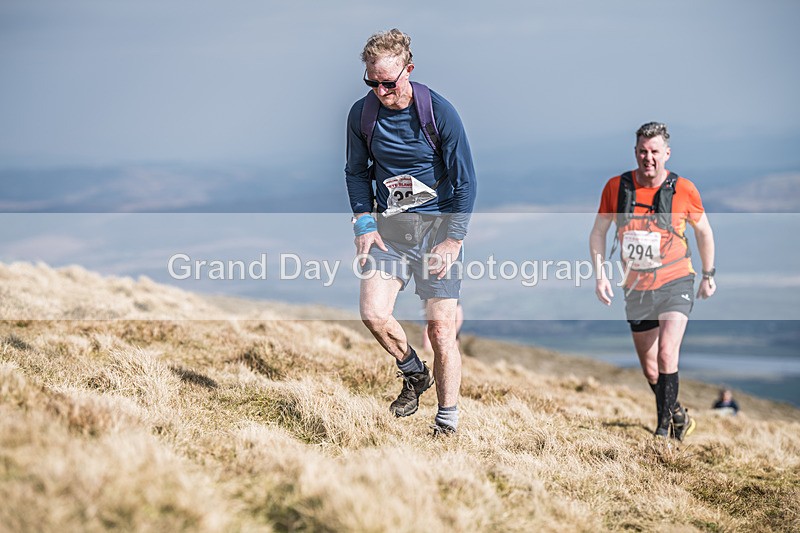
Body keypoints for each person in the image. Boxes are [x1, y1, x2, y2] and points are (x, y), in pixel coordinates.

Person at [345, 29, 477, 436]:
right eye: (372, 82)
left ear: (409, 69)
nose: (381, 91)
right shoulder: (362, 115)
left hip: (437, 235)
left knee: (441, 331)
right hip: (389, 233)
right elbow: (356, 173)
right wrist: (364, 223)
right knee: (373, 314)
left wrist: (454, 240)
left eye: (388, 82)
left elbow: (465, 181)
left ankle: (447, 421)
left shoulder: (438, 112)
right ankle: (414, 372)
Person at [589, 122, 716, 441]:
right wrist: (600, 274)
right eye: (643, 151)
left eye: (655, 151)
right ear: (635, 152)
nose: (649, 158)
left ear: (667, 153)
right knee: (650, 368)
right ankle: (678, 415)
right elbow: (598, 232)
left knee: (666, 354)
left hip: (676, 280)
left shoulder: (684, 189)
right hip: (637, 287)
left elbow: (704, 232)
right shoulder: (616, 188)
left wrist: (708, 274)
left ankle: (664, 432)